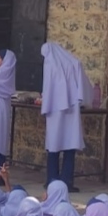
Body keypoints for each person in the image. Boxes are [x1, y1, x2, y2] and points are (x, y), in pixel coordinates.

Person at [40, 42, 93, 192]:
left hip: (54, 111)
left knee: (53, 146)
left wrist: (45, 105)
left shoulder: (50, 65)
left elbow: (48, 89)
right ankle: (66, 181)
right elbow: (84, 87)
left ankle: (52, 180)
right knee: (70, 145)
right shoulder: (74, 63)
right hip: (71, 111)